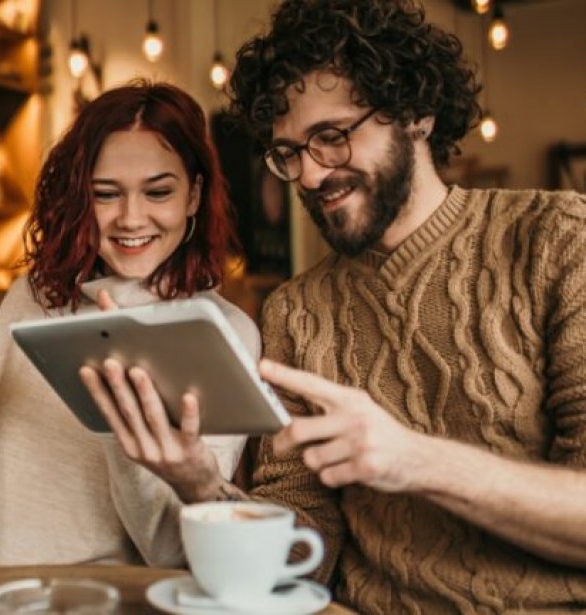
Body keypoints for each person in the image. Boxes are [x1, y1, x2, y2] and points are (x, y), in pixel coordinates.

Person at [80, 1, 586, 612]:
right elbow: (301, 555)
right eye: (289, 152)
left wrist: (414, 460)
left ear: (417, 113)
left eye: (332, 137)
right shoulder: (297, 310)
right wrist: (196, 480)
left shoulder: (558, 241)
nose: (312, 175)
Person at [0, 82, 259, 570]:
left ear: (194, 196)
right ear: (80, 197)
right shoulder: (33, 297)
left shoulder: (222, 333)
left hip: (98, 601)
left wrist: (121, 429)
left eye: (159, 191)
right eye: (105, 195)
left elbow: (171, 551)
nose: (131, 218)